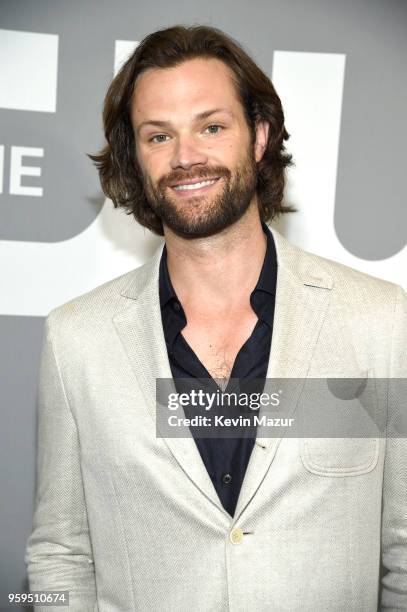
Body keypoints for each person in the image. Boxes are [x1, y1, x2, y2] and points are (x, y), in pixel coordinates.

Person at [25, 25, 406, 611]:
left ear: (258, 136)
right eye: (159, 135)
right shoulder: (77, 337)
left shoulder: (379, 321)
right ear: (135, 157)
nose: (186, 157)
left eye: (211, 126)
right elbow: (60, 553)